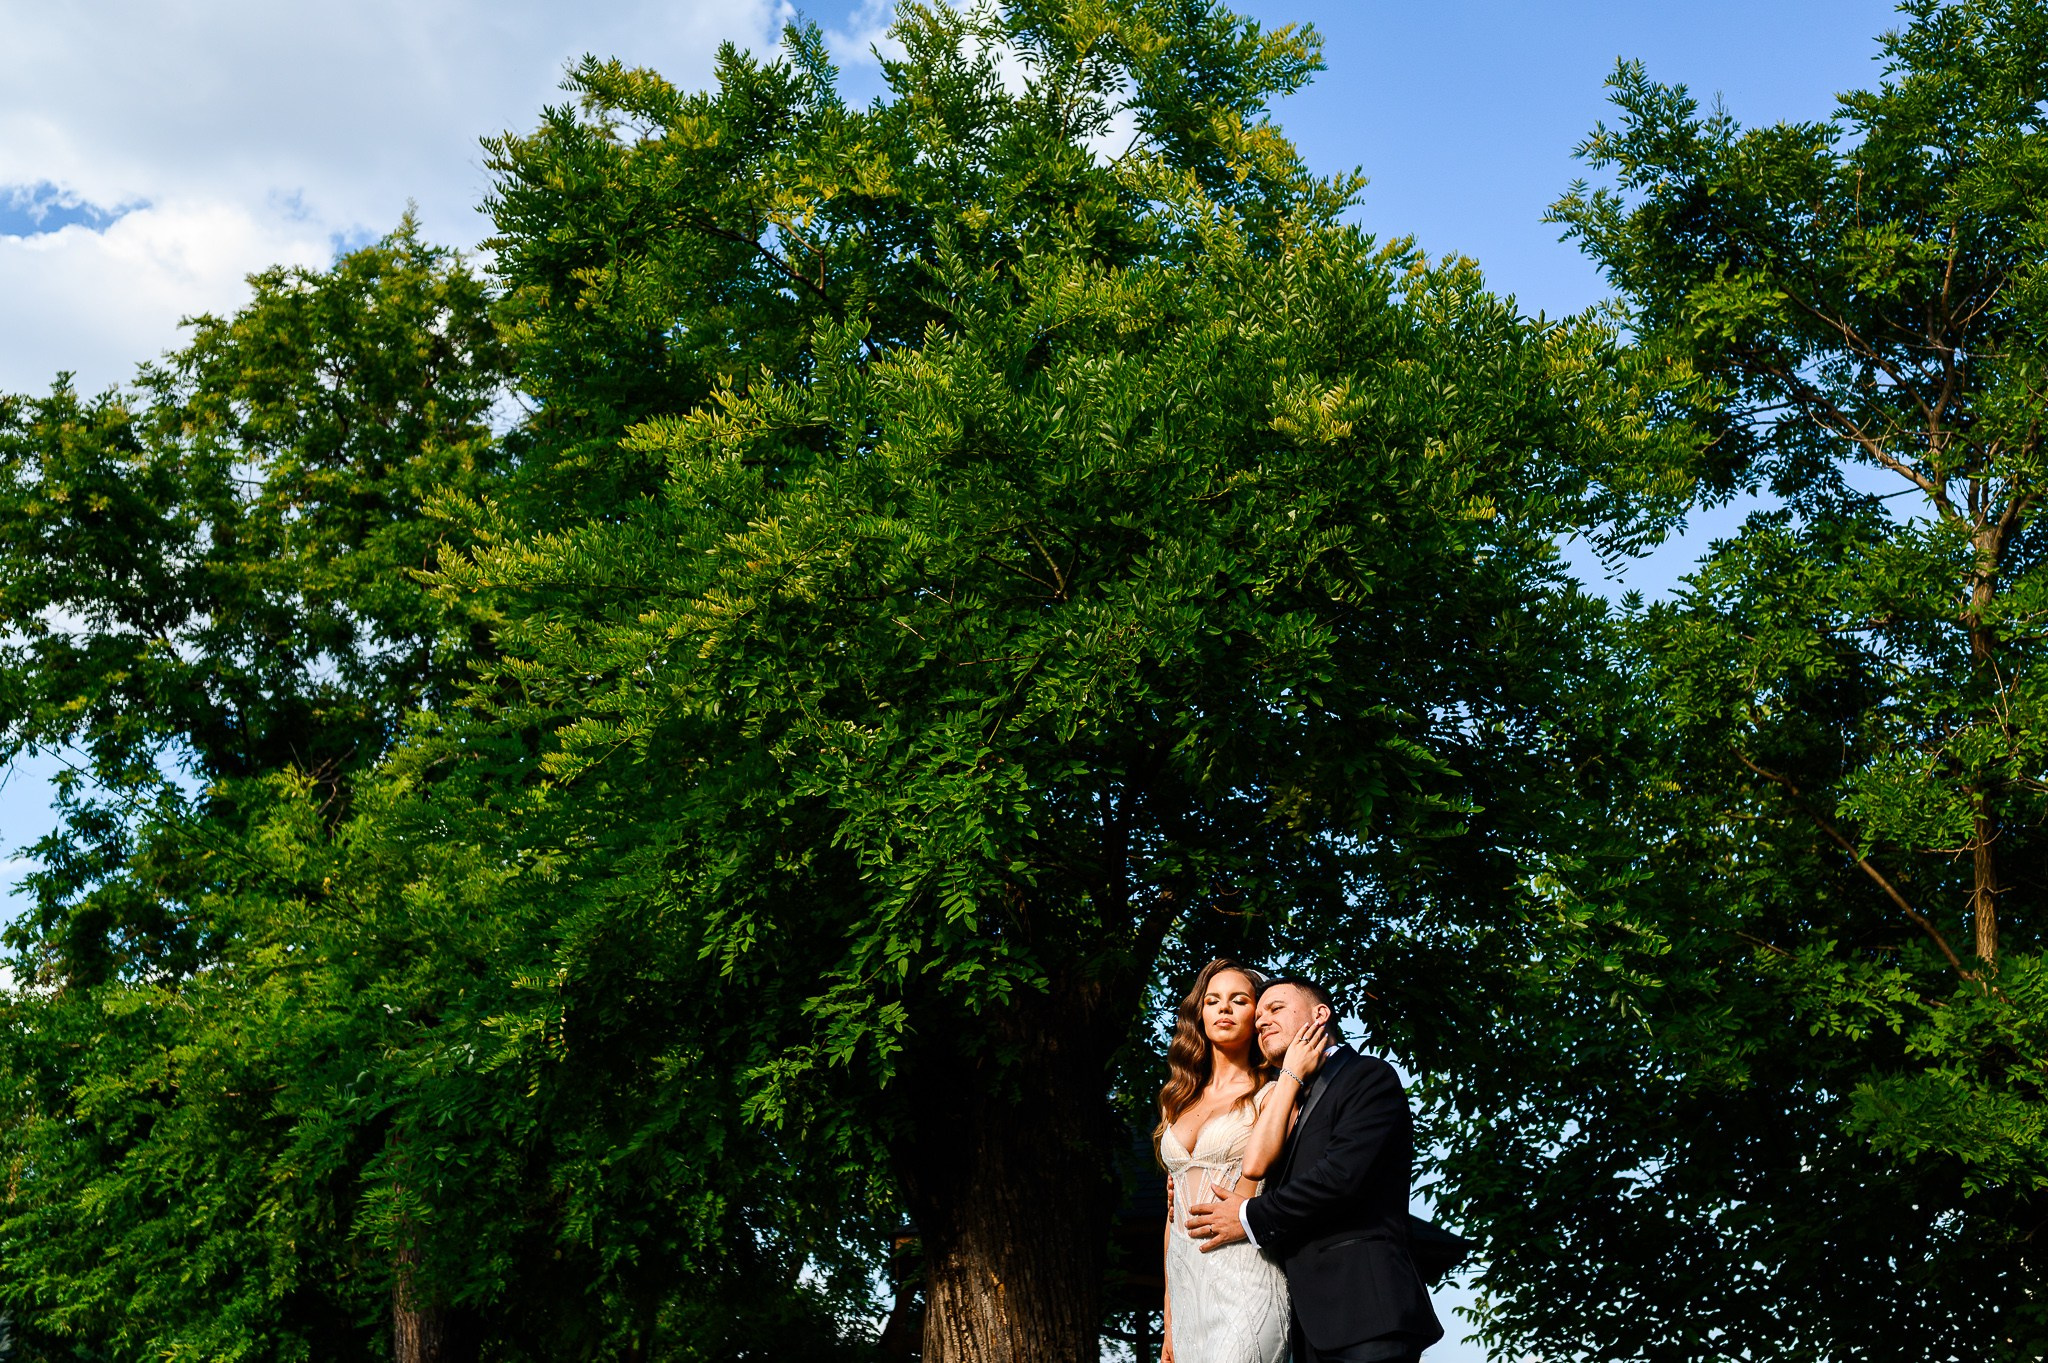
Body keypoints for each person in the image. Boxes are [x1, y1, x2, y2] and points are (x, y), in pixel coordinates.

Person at [1184, 976, 1445, 1363]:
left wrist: (1247, 1216)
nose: (1262, 1023)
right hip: (1306, 1324)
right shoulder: (1284, 1100)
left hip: (1366, 1309)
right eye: (1258, 1020)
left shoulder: (1367, 1077)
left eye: (1275, 1009)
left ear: (1319, 1014)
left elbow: (1340, 1179)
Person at [1156, 959, 1330, 1363]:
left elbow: (1259, 1166)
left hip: (1244, 1274)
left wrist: (1289, 1075)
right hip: (1187, 1286)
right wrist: (1169, 1315)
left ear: (1257, 1015)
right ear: (1200, 1015)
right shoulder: (1177, 1100)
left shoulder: (1273, 1093)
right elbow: (1172, 1219)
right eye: (1213, 1001)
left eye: (1238, 1000)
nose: (1224, 1009)